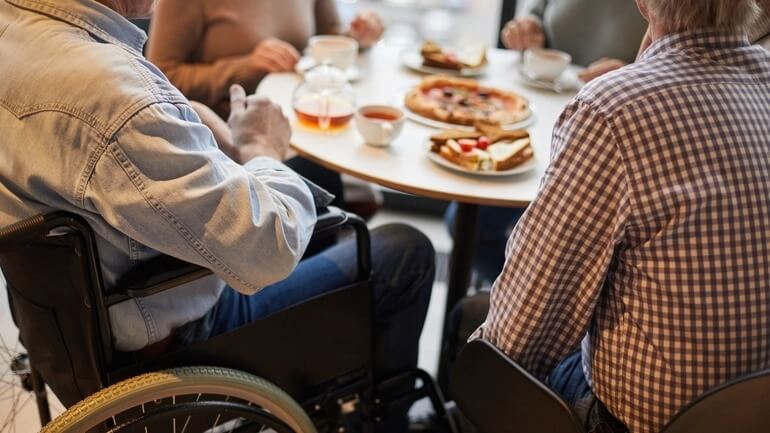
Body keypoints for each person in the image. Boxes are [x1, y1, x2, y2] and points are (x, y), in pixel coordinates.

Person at [0, 1, 428, 431]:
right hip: (169, 343)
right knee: (403, 252)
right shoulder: (107, 94)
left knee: (314, 178)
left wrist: (179, 118)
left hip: (63, 327)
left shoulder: (18, 31)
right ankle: (380, 418)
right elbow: (267, 250)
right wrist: (262, 149)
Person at [471, 0, 770, 432]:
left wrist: (477, 370)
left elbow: (523, 331)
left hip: (639, 423)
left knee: (479, 340)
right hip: (751, 411)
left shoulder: (613, 109)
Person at [147, 0, 383, 118]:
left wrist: (356, 36)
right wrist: (243, 67)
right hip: (229, 137)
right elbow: (157, 77)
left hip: (301, 118)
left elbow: (328, 35)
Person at [501, 0, 648, 82]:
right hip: (543, 89)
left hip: (612, 108)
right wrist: (528, 30)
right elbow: (536, 14)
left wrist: (633, 74)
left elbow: (669, 67)